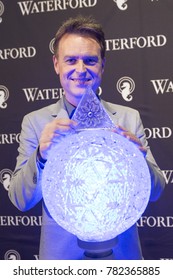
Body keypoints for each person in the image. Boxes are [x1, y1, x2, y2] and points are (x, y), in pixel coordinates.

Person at [9, 15, 165, 260]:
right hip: (63, 262)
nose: (80, 70)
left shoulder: (128, 118)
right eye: (71, 60)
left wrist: (139, 162)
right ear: (56, 64)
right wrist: (40, 156)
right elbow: (20, 199)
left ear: (102, 65)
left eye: (90, 61)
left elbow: (156, 191)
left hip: (121, 260)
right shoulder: (36, 122)